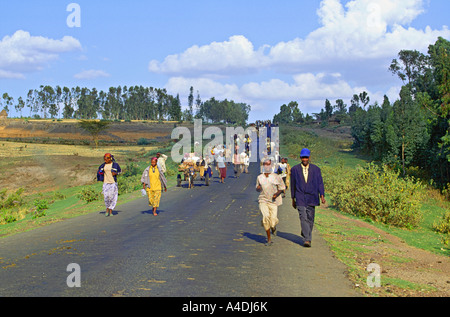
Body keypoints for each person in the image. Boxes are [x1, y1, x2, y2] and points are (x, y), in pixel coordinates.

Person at [290, 148, 326, 248]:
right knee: (303, 217)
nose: (304, 159)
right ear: (300, 158)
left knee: (310, 218)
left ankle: (305, 231)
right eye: (303, 157)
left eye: (306, 157)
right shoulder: (295, 169)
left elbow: (320, 183)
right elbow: (293, 184)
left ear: (309, 157)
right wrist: (293, 198)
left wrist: (322, 195)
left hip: (312, 196)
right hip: (300, 196)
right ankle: (307, 239)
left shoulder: (316, 169)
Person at [256, 159, 286, 246]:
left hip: (273, 201)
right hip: (263, 200)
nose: (267, 166)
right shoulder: (260, 177)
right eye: (265, 164)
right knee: (266, 218)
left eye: (268, 165)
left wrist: (276, 194)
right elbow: (257, 188)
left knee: (273, 221)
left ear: (271, 166)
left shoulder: (276, 177)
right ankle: (269, 239)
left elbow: (281, 188)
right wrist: (258, 188)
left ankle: (273, 227)